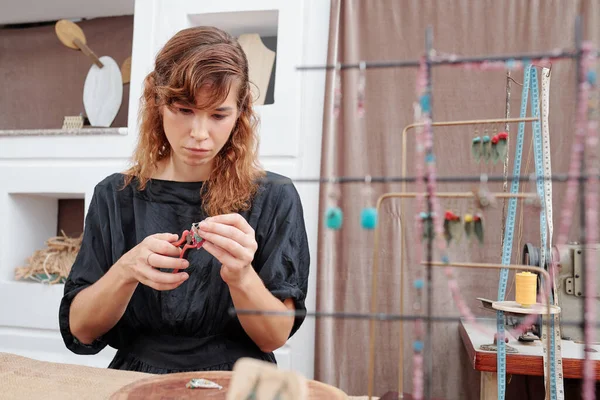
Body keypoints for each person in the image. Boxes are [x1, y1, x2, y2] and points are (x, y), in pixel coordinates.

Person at [58, 26, 310, 374]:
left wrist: (240, 275)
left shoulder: (274, 197)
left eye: (219, 115)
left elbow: (273, 337)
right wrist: (127, 270)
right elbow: (81, 329)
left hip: (237, 381)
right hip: (136, 380)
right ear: (157, 104)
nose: (199, 134)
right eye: (184, 109)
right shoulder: (115, 196)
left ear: (240, 114)